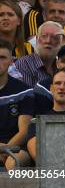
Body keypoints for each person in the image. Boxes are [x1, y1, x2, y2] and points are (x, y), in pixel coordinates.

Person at [0, 39, 34, 168]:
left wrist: (6, 150)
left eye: (3, 57)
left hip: (16, 148)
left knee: (14, 161)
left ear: (11, 61)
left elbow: (24, 131)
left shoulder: (24, 91)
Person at [13, 21, 65, 87]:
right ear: (37, 39)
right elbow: (27, 95)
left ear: (61, 41)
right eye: (44, 36)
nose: (48, 41)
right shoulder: (24, 64)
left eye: (54, 37)